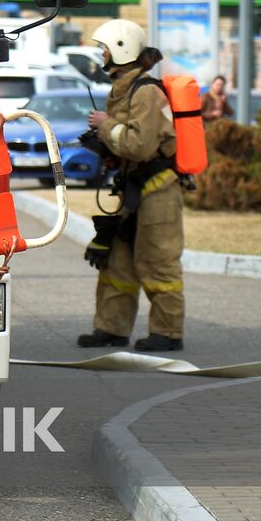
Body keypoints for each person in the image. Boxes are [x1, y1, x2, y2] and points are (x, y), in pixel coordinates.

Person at [77, 19, 185, 352]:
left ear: (121, 49)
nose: (102, 54)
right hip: (135, 187)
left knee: (158, 260)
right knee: (118, 261)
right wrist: (103, 143)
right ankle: (111, 328)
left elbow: (139, 146)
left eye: (105, 48)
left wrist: (106, 125)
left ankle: (167, 333)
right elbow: (127, 145)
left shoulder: (147, 92)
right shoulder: (125, 89)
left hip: (158, 190)